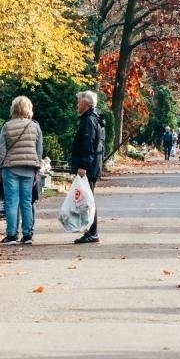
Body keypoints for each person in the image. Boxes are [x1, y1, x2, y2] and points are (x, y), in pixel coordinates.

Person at [0, 95, 44, 245]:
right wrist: (37, 169)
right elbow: (39, 149)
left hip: (10, 168)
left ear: (14, 109)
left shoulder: (7, 126)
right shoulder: (35, 126)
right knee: (27, 202)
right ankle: (28, 234)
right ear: (29, 109)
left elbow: (1, 151)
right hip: (29, 168)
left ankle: (11, 235)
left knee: (11, 202)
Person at [69, 90, 105, 244]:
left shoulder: (89, 120)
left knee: (89, 200)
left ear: (85, 103)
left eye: (79, 102)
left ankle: (93, 232)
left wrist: (83, 165)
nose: (77, 105)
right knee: (88, 199)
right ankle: (91, 231)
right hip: (93, 164)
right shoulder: (93, 118)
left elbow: (87, 144)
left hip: (88, 166)